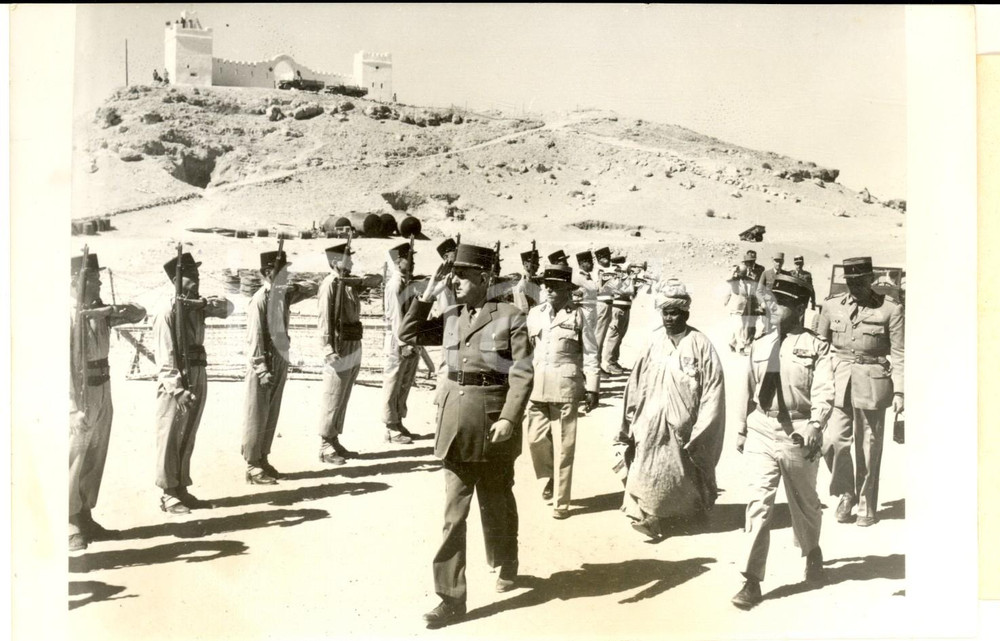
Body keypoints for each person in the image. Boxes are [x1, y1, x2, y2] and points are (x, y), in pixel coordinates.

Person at [398, 243, 533, 628]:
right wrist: (426, 296)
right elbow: (408, 332)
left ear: (484, 278)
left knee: (496, 504)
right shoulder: (451, 314)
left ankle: (506, 559)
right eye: (451, 275)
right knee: (453, 517)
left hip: (492, 426)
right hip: (455, 425)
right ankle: (450, 598)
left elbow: (522, 373)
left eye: (461, 275)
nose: (453, 281)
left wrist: (509, 417)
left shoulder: (510, 316)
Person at [732, 274, 834, 609]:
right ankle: (751, 580)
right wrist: (741, 428)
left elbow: (824, 391)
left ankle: (812, 552)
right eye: (772, 300)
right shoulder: (760, 345)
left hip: (799, 432)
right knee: (758, 504)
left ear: (802, 306)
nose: (773, 306)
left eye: (783, 302)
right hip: (763, 427)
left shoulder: (817, 346)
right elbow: (746, 389)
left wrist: (816, 425)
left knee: (804, 503)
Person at [612, 279, 726, 540]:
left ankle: (691, 510)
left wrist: (702, 427)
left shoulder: (701, 345)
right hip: (650, 422)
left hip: (684, 427)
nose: (669, 318)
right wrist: (629, 419)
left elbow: (713, 391)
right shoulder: (653, 341)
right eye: (665, 312)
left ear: (685, 313)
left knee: (684, 473)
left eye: (674, 312)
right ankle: (651, 517)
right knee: (649, 469)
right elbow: (635, 382)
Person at [816, 256, 904, 527]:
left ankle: (866, 503)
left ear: (871, 280)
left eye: (860, 281)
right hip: (839, 379)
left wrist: (900, 391)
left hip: (873, 381)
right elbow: (820, 347)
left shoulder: (890, 309)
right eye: (850, 281)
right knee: (832, 442)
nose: (854, 286)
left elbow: (900, 354)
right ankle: (846, 492)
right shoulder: (831, 306)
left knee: (869, 446)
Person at [69, 252, 146, 550]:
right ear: (78, 280)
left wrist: (108, 311)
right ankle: (69, 521)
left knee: (95, 454)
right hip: (81, 390)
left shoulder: (99, 309)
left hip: (103, 387)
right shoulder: (67, 314)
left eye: (100, 277)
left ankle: (85, 514)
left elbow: (138, 312)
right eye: (94, 278)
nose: (100, 282)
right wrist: (72, 408)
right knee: (74, 457)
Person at [152, 251, 233, 515]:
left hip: (198, 372)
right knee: (171, 435)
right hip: (177, 379)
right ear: (177, 280)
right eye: (190, 276)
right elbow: (165, 358)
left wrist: (203, 305)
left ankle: (181, 487)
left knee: (189, 433)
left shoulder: (197, 306)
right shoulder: (168, 311)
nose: (196, 280)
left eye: (197, 275)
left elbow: (228, 308)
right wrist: (178, 389)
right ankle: (167, 492)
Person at [525, 265, 600, 519]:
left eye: (555, 286)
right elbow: (527, 350)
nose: (549, 290)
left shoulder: (580, 316)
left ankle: (561, 501)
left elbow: (590, 353)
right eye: (546, 285)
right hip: (537, 386)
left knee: (565, 446)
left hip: (566, 387)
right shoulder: (535, 314)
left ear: (567, 290)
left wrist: (593, 388)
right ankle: (550, 476)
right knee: (535, 439)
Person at [241, 248, 318, 485]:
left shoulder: (282, 295)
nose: (286, 274)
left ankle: (263, 458)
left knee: (271, 413)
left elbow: (312, 287)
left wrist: (289, 286)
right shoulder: (260, 300)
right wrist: (262, 369)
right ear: (267, 272)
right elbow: (254, 339)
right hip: (263, 363)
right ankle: (253, 466)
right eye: (281, 271)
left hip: (280, 359)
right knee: (257, 415)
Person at [317, 243, 381, 464]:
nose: (352, 262)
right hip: (340, 345)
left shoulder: (347, 283)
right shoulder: (330, 284)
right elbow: (325, 318)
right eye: (347, 259)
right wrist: (328, 350)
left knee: (343, 396)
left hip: (354, 342)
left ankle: (334, 439)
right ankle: (325, 445)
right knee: (333, 395)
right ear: (335, 262)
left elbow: (371, 282)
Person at [381, 242, 420, 445]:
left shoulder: (407, 282)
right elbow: (396, 317)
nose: (412, 262)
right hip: (398, 341)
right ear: (398, 261)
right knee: (393, 383)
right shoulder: (395, 284)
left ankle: (398, 420)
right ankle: (390, 425)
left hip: (408, 341)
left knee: (405, 381)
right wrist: (404, 343)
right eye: (409, 258)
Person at [601, 255, 635, 376]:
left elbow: (632, 292)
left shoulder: (624, 277)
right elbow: (626, 291)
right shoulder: (613, 277)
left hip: (625, 307)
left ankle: (614, 360)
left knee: (620, 335)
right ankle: (610, 362)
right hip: (617, 308)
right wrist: (629, 280)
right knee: (615, 334)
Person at [723, 264, 759, 354]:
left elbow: (754, 282)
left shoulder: (747, 281)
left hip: (745, 308)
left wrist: (751, 273)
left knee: (738, 328)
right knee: (739, 328)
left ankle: (732, 343)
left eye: (744, 273)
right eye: (742, 273)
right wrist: (733, 271)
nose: (743, 275)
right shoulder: (734, 281)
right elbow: (727, 279)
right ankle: (741, 348)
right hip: (736, 309)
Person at [511, 246, 541, 313]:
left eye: (537, 262)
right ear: (525, 264)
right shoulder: (522, 283)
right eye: (535, 262)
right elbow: (522, 309)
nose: (538, 265)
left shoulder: (534, 280)